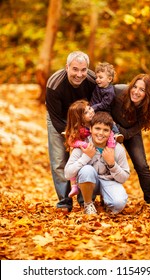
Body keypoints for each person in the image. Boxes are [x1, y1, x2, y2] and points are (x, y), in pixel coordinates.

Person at [46, 51, 96, 213]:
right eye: (75, 69)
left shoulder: (92, 80)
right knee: (59, 160)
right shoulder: (54, 84)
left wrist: (86, 132)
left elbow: (97, 106)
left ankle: (84, 199)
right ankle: (64, 201)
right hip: (59, 119)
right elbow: (54, 118)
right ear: (67, 67)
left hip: (84, 119)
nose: (79, 74)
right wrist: (72, 138)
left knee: (85, 157)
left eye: (83, 70)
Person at [64, 111, 130, 214]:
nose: (101, 133)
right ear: (90, 129)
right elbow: (68, 174)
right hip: (88, 181)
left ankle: (107, 202)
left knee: (118, 204)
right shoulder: (82, 146)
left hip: (109, 182)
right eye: (97, 128)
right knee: (87, 170)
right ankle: (88, 204)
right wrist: (85, 157)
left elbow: (124, 177)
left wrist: (112, 164)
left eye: (105, 130)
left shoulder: (117, 149)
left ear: (110, 132)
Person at [111, 73, 150, 204]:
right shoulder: (118, 91)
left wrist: (119, 128)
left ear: (147, 94)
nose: (136, 92)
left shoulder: (148, 108)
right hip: (110, 130)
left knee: (142, 166)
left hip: (131, 133)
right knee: (106, 162)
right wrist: (112, 126)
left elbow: (129, 133)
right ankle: (106, 199)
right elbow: (105, 107)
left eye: (142, 90)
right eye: (135, 87)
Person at [65, 100, 117, 198]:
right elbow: (71, 141)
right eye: (86, 112)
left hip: (98, 149)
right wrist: (83, 144)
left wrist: (110, 146)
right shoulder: (79, 128)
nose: (91, 112)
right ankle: (74, 186)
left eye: (89, 108)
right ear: (80, 118)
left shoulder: (97, 120)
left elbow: (110, 133)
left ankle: (105, 193)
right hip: (85, 149)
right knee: (75, 161)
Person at [90, 62, 124, 143]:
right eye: (97, 77)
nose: (97, 79)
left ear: (109, 79)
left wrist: (93, 108)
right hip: (93, 109)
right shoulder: (98, 86)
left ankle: (116, 134)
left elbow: (104, 104)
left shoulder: (109, 92)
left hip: (103, 111)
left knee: (108, 121)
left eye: (100, 77)